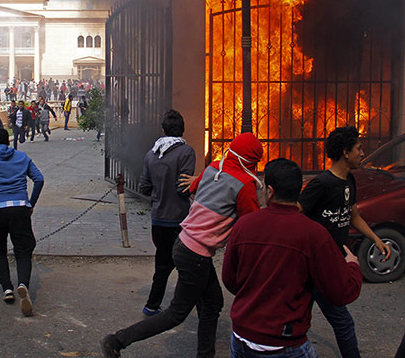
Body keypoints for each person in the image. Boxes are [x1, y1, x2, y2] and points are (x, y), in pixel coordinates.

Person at [101, 132, 264, 358]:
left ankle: (205, 354)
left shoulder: (214, 168)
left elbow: (195, 186)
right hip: (196, 255)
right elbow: (253, 222)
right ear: (252, 160)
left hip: (184, 243)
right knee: (176, 314)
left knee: (213, 302)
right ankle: (117, 340)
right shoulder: (245, 184)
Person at [223, 158, 363, 357]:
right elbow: (341, 292)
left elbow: (230, 279)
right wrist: (352, 266)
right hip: (286, 343)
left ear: (270, 192)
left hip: (242, 338)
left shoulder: (243, 226)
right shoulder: (315, 234)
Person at [298, 126, 390, 358]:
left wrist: (376, 240)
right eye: (359, 148)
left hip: (333, 262)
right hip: (317, 264)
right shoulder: (321, 184)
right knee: (342, 322)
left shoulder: (349, 180)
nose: (362, 152)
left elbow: (354, 215)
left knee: (301, 320)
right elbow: (296, 214)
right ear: (345, 152)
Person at [0, 128, 44, 317]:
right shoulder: (22, 157)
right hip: (19, 207)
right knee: (23, 250)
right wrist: (30, 203)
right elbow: (39, 179)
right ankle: (23, 285)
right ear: (9, 142)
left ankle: (7, 289)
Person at [139, 110, 196, 316]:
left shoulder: (151, 154)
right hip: (179, 219)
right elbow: (184, 187)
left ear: (163, 130)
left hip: (158, 219)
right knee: (188, 263)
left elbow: (144, 186)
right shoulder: (186, 152)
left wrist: (158, 193)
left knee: (162, 264)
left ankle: (152, 305)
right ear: (182, 130)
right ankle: (187, 305)